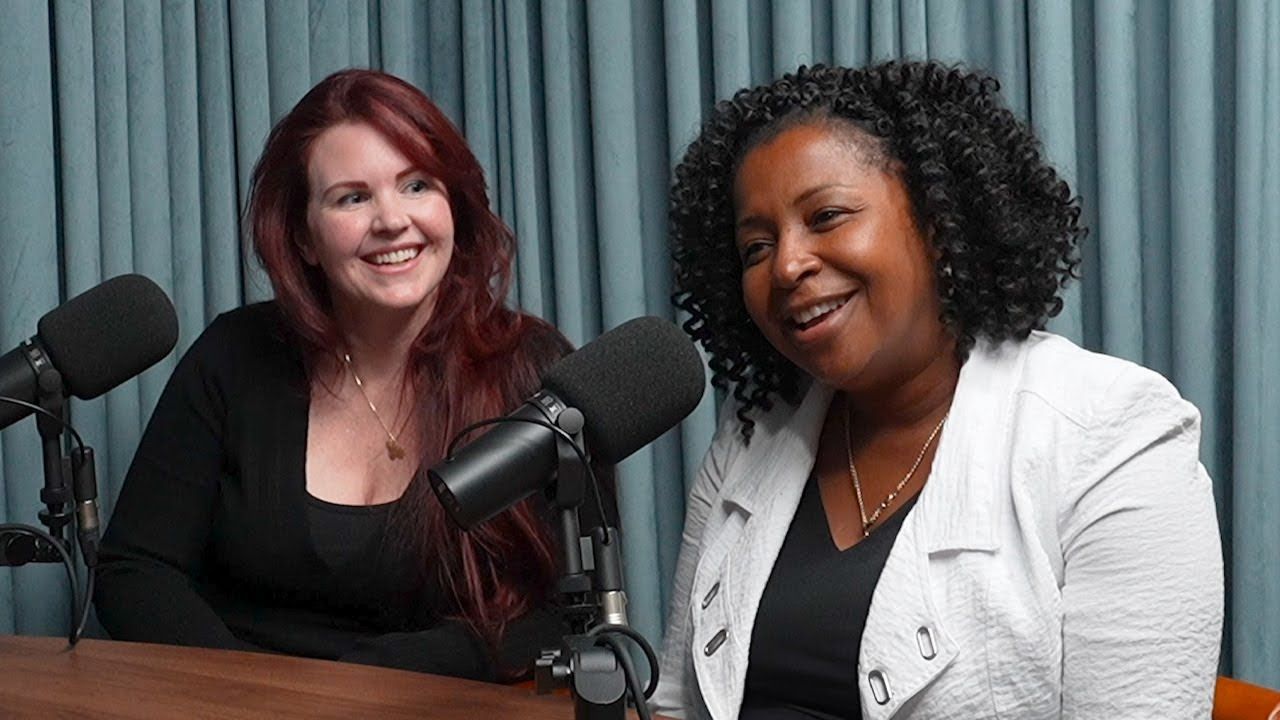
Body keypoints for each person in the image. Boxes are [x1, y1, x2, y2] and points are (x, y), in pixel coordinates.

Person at [651, 61, 1223, 719]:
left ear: (941, 222)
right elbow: (677, 703)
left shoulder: (1113, 434)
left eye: (827, 215)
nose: (786, 264)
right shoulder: (752, 435)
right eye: (755, 248)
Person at [94, 69, 602, 681]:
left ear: (455, 207)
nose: (391, 220)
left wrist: (372, 683)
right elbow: (135, 572)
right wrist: (261, 697)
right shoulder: (235, 356)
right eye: (352, 198)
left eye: (416, 185)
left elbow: (570, 610)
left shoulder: (533, 366)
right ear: (304, 237)